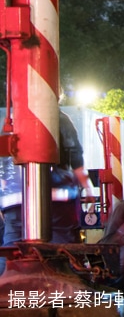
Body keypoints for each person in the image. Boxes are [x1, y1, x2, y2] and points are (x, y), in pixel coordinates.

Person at [0, 109, 94, 274]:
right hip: (57, 197)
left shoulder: (12, 120)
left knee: (11, 253)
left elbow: (4, 167)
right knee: (64, 253)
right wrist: (88, 189)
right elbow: (76, 158)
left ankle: (6, 288)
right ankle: (67, 290)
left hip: (15, 200)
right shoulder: (60, 118)